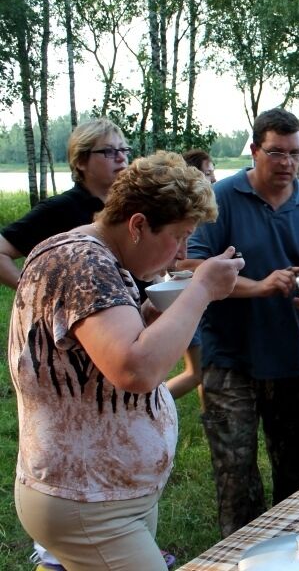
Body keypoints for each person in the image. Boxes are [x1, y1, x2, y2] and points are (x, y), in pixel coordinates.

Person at [10, 151, 243, 571]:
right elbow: (135, 370)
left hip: (102, 497)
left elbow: (103, 354)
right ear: (137, 225)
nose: (181, 253)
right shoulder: (84, 263)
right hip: (88, 503)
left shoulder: (95, 258)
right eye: (179, 236)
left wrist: (151, 316)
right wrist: (202, 288)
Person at [187, 107, 299, 538]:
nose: (287, 163)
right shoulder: (224, 197)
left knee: (293, 466)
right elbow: (192, 263)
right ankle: (242, 554)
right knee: (235, 471)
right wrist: (259, 285)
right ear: (254, 150)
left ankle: (293, 551)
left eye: (295, 153)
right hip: (229, 355)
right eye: (276, 152)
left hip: (289, 354)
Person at [0, 118, 129, 289]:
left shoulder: (129, 204)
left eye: (124, 149)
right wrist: (34, 293)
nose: (121, 158)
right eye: (109, 151)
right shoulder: (61, 208)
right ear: (81, 161)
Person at [165, 148, 217, 405]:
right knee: (196, 372)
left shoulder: (196, 216)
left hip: (191, 303)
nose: (215, 179)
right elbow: (178, 264)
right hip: (186, 301)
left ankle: (209, 413)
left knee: (201, 370)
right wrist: (213, 266)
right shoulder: (187, 217)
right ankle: (147, 403)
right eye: (208, 173)